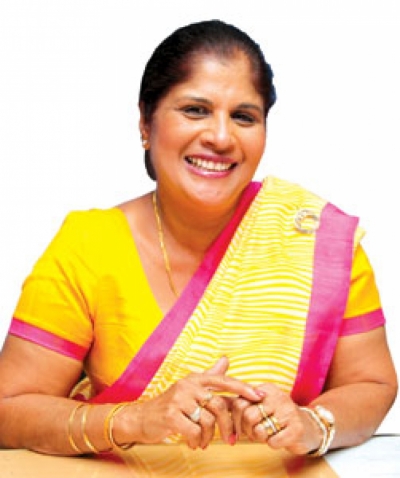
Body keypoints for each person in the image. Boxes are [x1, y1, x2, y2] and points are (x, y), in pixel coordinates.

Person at [0, 19, 397, 457]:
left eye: (244, 117)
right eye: (195, 110)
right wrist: (134, 419)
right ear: (146, 122)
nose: (221, 137)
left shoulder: (316, 240)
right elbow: (9, 407)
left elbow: (372, 383)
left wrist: (312, 424)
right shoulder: (89, 246)